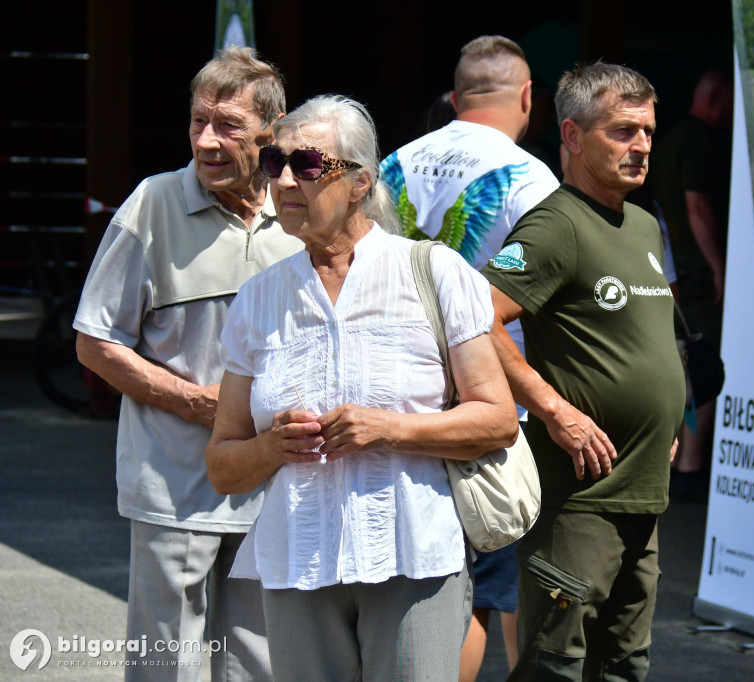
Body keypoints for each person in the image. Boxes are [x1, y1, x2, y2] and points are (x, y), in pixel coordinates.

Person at [204, 94, 518, 682]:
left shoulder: (435, 271)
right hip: (298, 561)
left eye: (308, 165)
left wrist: (389, 427)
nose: (286, 181)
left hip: (414, 558)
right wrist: (272, 448)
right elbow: (223, 463)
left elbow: (497, 419)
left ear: (359, 183)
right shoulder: (258, 299)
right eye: (275, 164)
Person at [73, 47, 299, 680]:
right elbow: (96, 342)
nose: (206, 140)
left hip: (272, 485)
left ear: (271, 132)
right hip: (173, 487)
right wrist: (200, 403)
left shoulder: (300, 210)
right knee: (166, 662)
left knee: (258, 662)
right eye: (198, 122)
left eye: (226, 125)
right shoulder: (152, 205)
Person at [481, 62, 686, 680]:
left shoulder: (644, 223)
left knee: (624, 664)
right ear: (571, 136)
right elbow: (477, 323)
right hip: (580, 500)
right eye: (623, 131)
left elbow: (648, 342)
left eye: (648, 130)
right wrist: (556, 411)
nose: (643, 145)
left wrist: (666, 417)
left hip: (642, 492)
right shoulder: (556, 224)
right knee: (555, 665)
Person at [380, 34, 559, 681]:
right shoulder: (529, 177)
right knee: (499, 588)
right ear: (529, 97)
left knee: (429, 588)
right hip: (490, 408)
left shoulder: (391, 166)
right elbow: (540, 297)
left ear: (455, 98)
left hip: (401, 403)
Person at [647, 68, 733, 502]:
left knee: (684, 366)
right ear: (716, 99)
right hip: (694, 276)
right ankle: (691, 467)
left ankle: (680, 463)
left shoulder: (670, 140)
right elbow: (697, 208)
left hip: (674, 271)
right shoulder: (699, 142)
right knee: (705, 368)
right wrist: (718, 266)